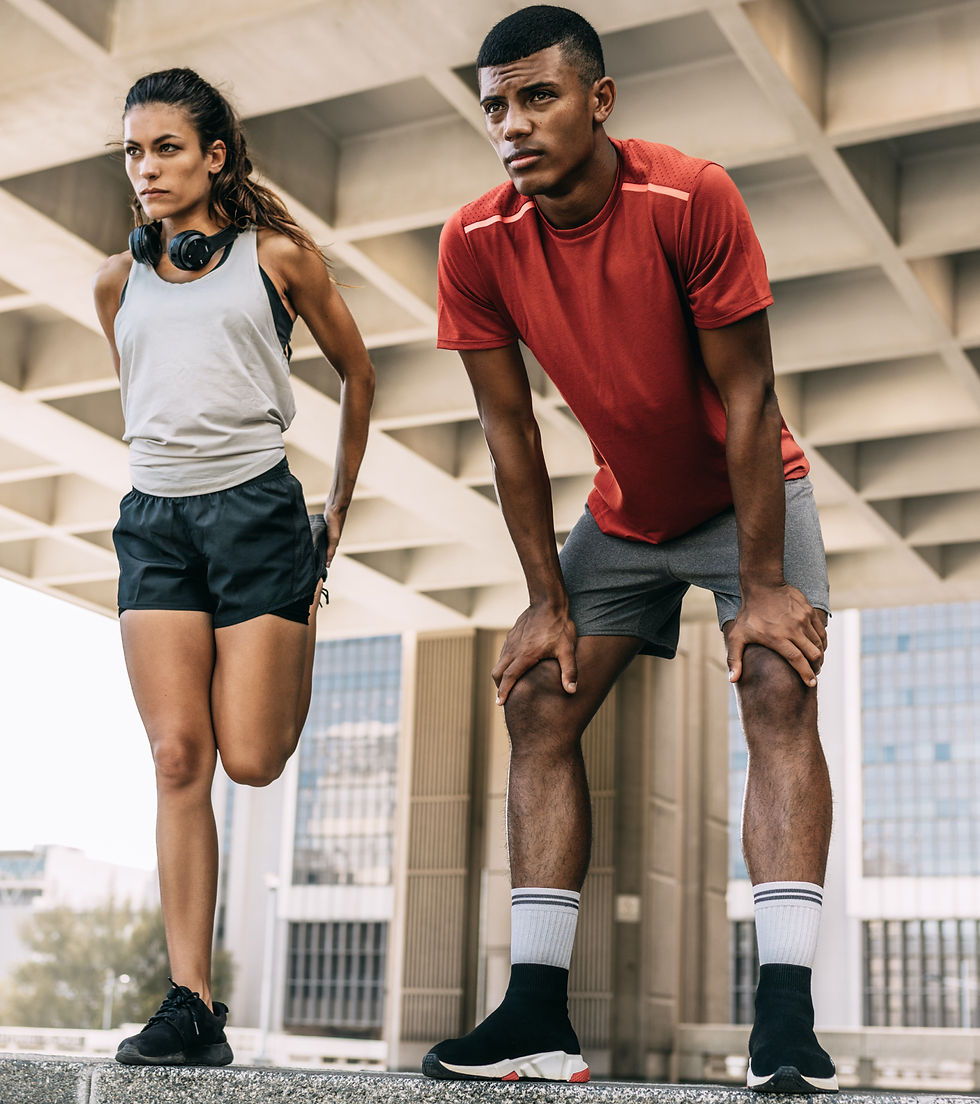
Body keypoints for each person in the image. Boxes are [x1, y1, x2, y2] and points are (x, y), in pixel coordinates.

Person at [423, 5, 837, 1093]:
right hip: (625, 512)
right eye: (495, 107)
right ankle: (535, 1017)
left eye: (538, 96)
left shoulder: (688, 197)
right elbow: (508, 433)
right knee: (536, 701)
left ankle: (784, 1025)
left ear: (598, 100)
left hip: (747, 490)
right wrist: (543, 598)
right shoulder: (473, 241)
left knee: (772, 685)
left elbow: (747, 401)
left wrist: (758, 587)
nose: (512, 124)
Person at [92, 67, 375, 1066]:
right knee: (178, 758)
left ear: (215, 156)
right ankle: (190, 1004)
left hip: (258, 515)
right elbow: (147, 392)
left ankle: (295, 616)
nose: (146, 168)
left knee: (249, 759)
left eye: (166, 147)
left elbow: (358, 374)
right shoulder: (115, 281)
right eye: (134, 150)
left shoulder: (279, 260)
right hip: (154, 521)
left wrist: (332, 509)